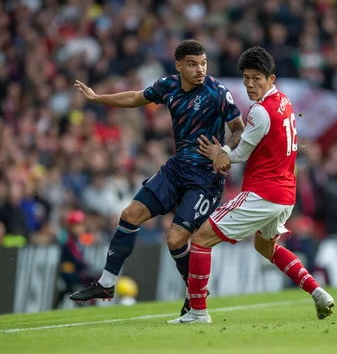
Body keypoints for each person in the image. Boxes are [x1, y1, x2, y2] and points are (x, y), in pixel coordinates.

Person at [69, 40, 244, 316]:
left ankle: (195, 295)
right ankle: (106, 284)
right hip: (176, 170)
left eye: (203, 63)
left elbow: (238, 130)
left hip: (204, 179)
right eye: (192, 64)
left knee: (175, 239)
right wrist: (97, 98)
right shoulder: (168, 86)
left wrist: (223, 150)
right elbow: (135, 98)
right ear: (179, 66)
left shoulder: (217, 92)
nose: (200, 69)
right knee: (129, 214)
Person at [167, 46, 335, 324]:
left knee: (199, 239)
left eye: (257, 78)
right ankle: (317, 292)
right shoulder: (284, 100)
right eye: (246, 78)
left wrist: (218, 154)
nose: (250, 84)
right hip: (285, 195)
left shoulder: (260, 112)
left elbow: (239, 155)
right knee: (265, 247)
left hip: (263, 193)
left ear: (271, 78)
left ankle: (198, 312)